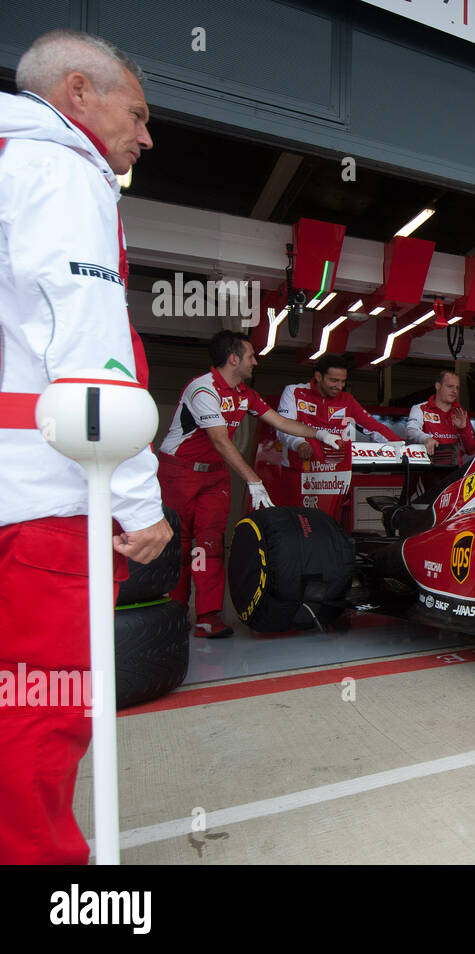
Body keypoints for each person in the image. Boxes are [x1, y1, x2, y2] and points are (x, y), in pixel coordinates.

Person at [0, 30, 172, 864]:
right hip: (45, 499)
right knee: (42, 707)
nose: (146, 137)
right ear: (78, 93)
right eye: (136, 114)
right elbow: (92, 362)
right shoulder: (64, 174)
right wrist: (140, 502)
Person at [157, 331, 343, 638]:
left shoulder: (244, 393)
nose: (255, 362)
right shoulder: (202, 388)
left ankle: (207, 617)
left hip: (215, 475)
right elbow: (218, 439)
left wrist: (319, 434)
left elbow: (281, 422)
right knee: (179, 544)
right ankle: (175, 614)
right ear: (233, 359)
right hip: (179, 472)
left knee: (210, 544)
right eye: (251, 356)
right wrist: (254, 480)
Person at [276, 353, 403, 466]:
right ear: (318, 376)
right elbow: (283, 427)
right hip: (299, 470)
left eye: (343, 381)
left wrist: (400, 446)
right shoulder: (294, 392)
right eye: (334, 381)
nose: (339, 386)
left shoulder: (346, 399)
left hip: (336, 475)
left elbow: (373, 426)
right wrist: (299, 444)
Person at [406, 369, 475, 501]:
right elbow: (411, 431)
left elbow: (471, 449)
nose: (454, 391)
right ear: (438, 386)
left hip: (454, 476)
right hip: (427, 475)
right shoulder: (421, 408)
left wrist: (463, 429)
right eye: (450, 386)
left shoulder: (460, 414)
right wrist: (425, 438)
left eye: (457, 388)